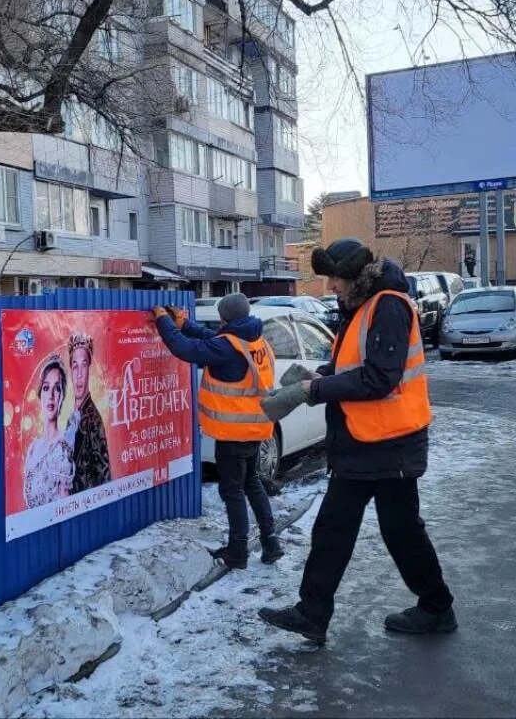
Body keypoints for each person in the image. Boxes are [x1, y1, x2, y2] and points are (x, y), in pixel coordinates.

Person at [259, 238, 456, 646]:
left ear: (354, 277)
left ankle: (437, 608)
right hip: (363, 442)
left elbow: (381, 378)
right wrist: (318, 373)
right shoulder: (362, 307)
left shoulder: (388, 306)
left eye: (334, 278)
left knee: (401, 531)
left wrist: (316, 391)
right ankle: (313, 613)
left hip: (391, 442)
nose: (329, 286)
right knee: (334, 527)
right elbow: (356, 365)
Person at [152, 294, 284, 569]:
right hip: (257, 427)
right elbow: (211, 338)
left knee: (232, 491)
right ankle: (271, 542)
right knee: (252, 483)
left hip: (233, 431)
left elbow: (187, 349)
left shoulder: (227, 346)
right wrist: (185, 323)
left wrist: (164, 321)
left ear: (226, 318)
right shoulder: (256, 339)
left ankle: (238, 550)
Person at [23, 355, 75, 508]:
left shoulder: (63, 450)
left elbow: (65, 508)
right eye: (46, 388)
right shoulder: (33, 449)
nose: (51, 395)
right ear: (40, 394)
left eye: (57, 388)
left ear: (62, 396)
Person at [67, 332, 111, 494]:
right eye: (75, 366)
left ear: (89, 368)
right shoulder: (71, 419)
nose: (79, 375)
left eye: (83, 365)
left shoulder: (94, 420)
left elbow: (104, 476)